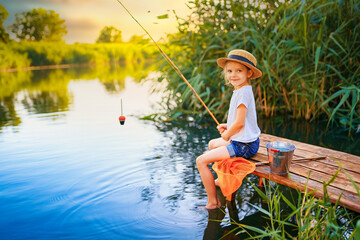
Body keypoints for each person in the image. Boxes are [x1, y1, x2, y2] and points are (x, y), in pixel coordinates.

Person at [196, 49, 262, 209]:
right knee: (212, 144)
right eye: (230, 71)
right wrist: (228, 126)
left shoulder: (243, 93)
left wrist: (227, 135)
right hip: (247, 141)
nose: (233, 74)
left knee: (201, 161)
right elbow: (239, 121)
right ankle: (220, 180)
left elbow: (239, 124)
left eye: (239, 70)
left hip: (244, 146)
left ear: (249, 73)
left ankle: (213, 202)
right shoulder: (241, 89)